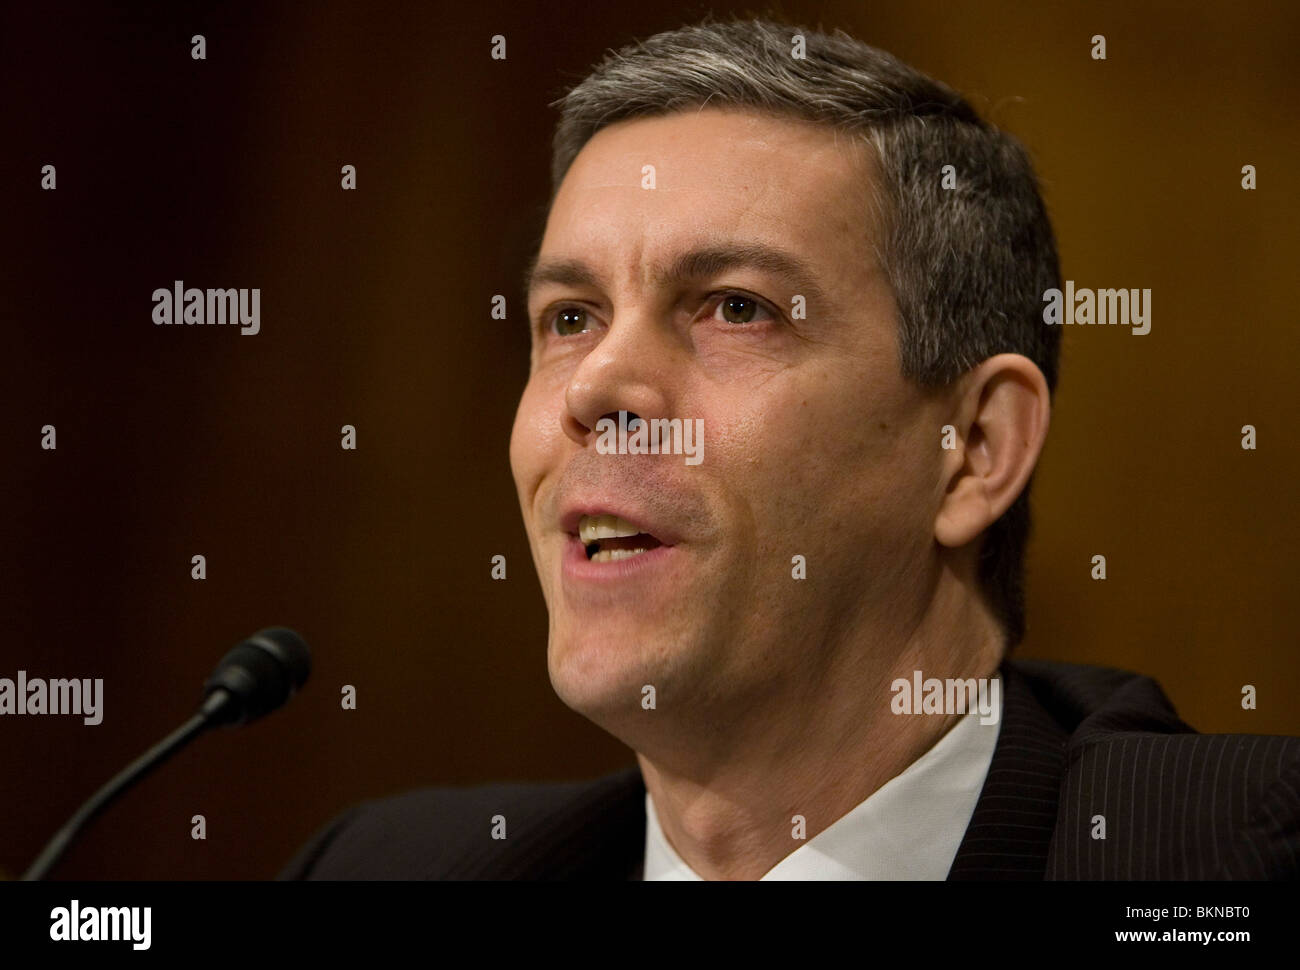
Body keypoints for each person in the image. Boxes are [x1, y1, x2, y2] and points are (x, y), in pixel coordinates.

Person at [280, 17, 1299, 881]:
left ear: (975, 447)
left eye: (734, 308)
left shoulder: (1225, 856)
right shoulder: (388, 867)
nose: (594, 391)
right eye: (571, 317)